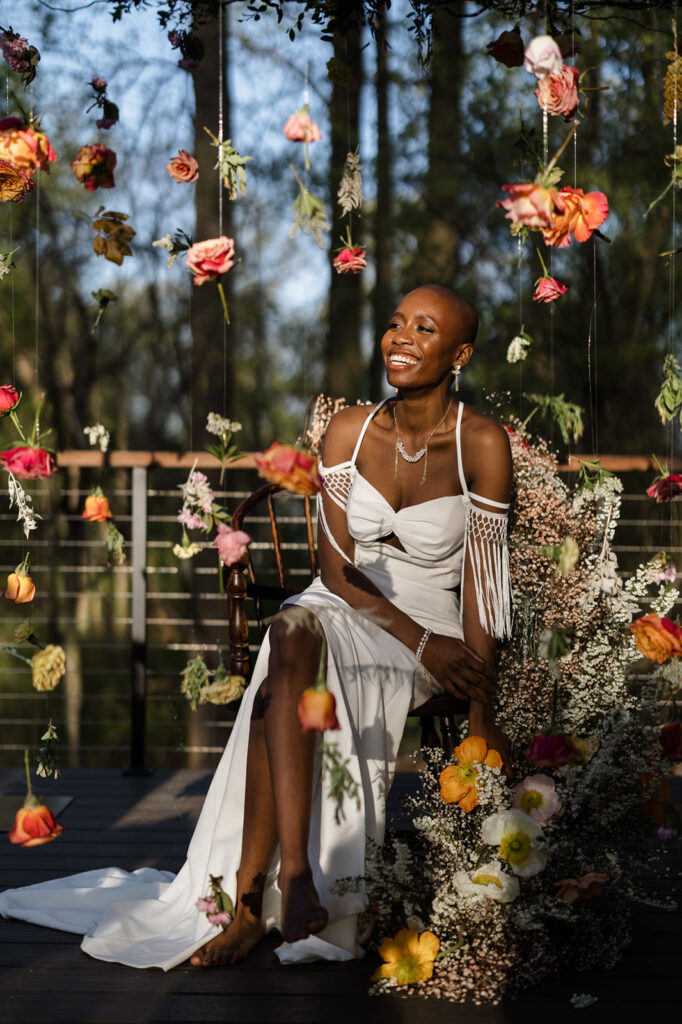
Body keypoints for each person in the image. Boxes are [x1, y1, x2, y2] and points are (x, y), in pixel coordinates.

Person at [0, 284, 513, 971]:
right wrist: (417, 640)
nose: (400, 338)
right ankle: (292, 876)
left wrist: (481, 706)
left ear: (460, 354)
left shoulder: (481, 441)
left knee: (278, 677)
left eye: (424, 329)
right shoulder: (348, 430)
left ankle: (249, 902)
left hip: (432, 623)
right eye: (395, 324)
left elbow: (485, 584)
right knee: (291, 631)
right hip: (348, 601)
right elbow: (335, 572)